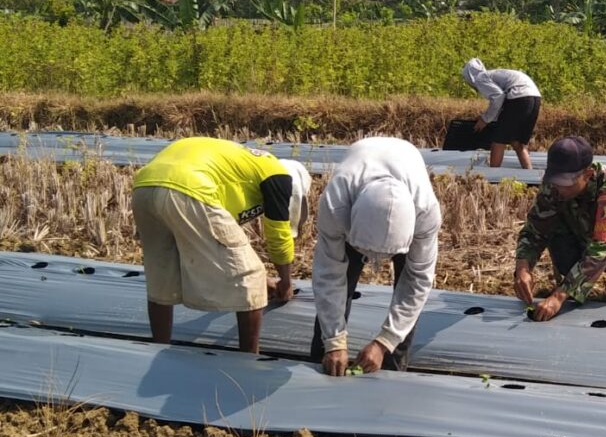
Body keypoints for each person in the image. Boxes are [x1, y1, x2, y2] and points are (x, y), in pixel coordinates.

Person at [131, 137, 311, 353]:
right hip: (190, 186)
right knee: (251, 276)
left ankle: (158, 348)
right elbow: (279, 235)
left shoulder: (243, 171)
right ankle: (247, 361)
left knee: (162, 277)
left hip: (144, 187)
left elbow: (220, 243)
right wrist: (285, 282)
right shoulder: (279, 176)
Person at [310, 137, 442, 376]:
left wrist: (385, 342)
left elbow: (417, 282)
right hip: (361, 163)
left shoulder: (425, 213)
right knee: (344, 280)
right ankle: (326, 356)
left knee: (407, 281)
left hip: (406, 161)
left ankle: (391, 367)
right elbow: (329, 275)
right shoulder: (336, 205)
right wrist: (334, 341)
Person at [514, 135, 606, 321]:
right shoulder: (554, 186)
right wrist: (522, 268)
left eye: (567, 183)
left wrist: (558, 297)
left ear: (588, 174)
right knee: (556, 233)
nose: (559, 188)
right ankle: (572, 291)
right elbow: (534, 230)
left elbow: (601, 248)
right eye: (556, 181)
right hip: (584, 239)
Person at [462, 57, 542, 169]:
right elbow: (502, 102)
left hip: (519, 97)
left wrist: (485, 119)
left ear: (470, 76)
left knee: (498, 142)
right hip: (535, 97)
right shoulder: (493, 75)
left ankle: (492, 179)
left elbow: (498, 97)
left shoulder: (480, 78)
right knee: (518, 143)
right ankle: (530, 176)